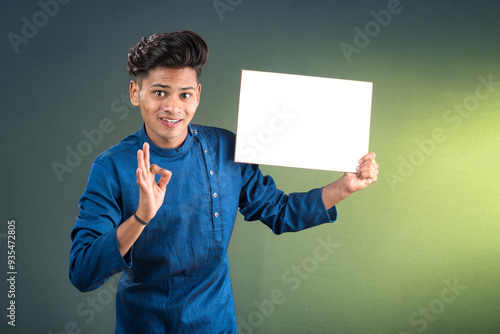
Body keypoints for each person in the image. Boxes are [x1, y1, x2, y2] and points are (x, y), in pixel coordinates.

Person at [69, 30, 378, 333]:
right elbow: (83, 272)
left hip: (215, 324)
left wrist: (343, 187)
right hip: (143, 325)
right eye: (159, 92)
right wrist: (141, 217)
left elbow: (280, 212)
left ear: (198, 95)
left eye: (185, 94)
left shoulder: (225, 149)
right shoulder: (111, 166)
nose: (173, 108)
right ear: (136, 93)